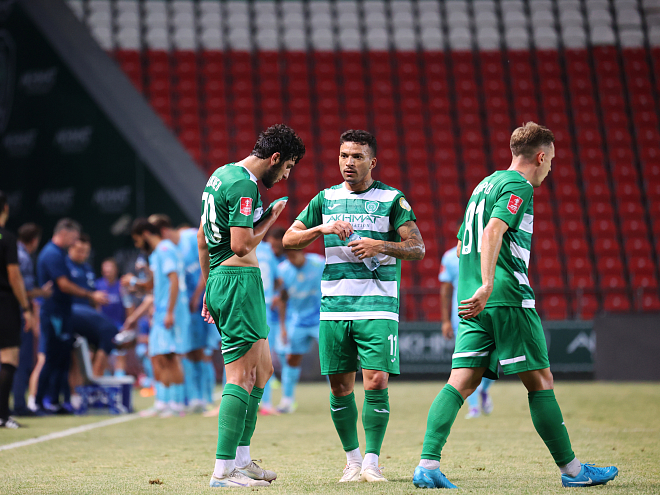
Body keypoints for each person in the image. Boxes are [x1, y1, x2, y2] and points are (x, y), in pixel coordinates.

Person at [412, 122, 618, 489]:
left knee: (460, 382)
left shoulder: (483, 185)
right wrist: (489, 284)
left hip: (470, 299)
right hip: (505, 297)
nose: (550, 167)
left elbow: (461, 245)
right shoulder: (518, 185)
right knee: (541, 382)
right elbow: (493, 230)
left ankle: (427, 465)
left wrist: (476, 286)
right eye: (551, 160)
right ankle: (573, 472)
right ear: (540, 157)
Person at [282, 129, 425, 483]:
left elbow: (417, 248)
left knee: (375, 382)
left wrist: (380, 246)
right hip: (335, 307)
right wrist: (322, 229)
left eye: (357, 156)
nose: (349, 162)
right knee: (339, 388)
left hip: (378, 305)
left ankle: (373, 462)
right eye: (344, 155)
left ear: (372, 162)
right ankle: (353, 461)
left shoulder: (392, 199)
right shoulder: (325, 199)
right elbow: (289, 239)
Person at [198, 124, 305, 488]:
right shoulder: (245, 186)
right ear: (275, 158)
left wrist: (208, 285)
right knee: (240, 377)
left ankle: (242, 461)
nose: (286, 175)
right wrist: (271, 218)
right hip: (238, 283)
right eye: (287, 167)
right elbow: (242, 245)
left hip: (225, 279)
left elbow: (203, 237)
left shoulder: (220, 175)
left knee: (263, 371)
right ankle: (223, 471)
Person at [36, 219, 108, 413]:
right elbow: (63, 285)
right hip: (54, 314)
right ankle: (38, 400)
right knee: (51, 358)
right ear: (64, 234)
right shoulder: (52, 254)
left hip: (63, 313)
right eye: (74, 238)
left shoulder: (60, 254)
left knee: (62, 360)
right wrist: (90, 295)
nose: (75, 242)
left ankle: (59, 401)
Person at [127, 218, 189, 417]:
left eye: (137, 240)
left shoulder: (165, 249)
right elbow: (155, 284)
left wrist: (170, 311)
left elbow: (174, 280)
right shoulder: (157, 253)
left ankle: (176, 404)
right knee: (158, 356)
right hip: (161, 310)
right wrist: (135, 282)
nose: (138, 245)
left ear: (145, 234)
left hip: (169, 311)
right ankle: (163, 402)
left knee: (170, 356)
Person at [149, 214, 207, 412]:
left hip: (199, 302)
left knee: (199, 352)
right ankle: (186, 399)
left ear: (162, 232)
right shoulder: (167, 250)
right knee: (183, 352)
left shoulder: (190, 238)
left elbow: (207, 263)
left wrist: (197, 295)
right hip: (182, 306)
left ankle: (201, 398)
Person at [440, 243, 494, 419]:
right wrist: (446, 321)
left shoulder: (491, 248)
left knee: (494, 359)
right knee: (468, 362)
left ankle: (483, 389)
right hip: (462, 316)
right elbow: (445, 289)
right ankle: (474, 407)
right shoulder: (450, 256)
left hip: (490, 311)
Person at [274, 248, 325, 414]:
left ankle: (338, 396)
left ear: (302, 251)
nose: (291, 259)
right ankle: (287, 400)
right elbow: (282, 299)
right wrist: (283, 327)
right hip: (298, 322)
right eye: (288, 256)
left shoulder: (319, 263)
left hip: (321, 319)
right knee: (291, 358)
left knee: (331, 357)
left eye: (293, 255)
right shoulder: (283, 270)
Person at [0, 192, 35, 428]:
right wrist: (26, 307)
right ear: (5, 208)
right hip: (5, 303)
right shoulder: (7, 237)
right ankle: (2, 416)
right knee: (9, 358)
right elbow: (14, 276)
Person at [13, 223, 51, 416]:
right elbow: (25, 290)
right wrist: (42, 293)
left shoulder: (11, 250)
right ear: (35, 240)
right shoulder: (23, 257)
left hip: (7, 311)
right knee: (21, 360)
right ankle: (19, 405)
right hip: (18, 313)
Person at [67, 235, 118, 378]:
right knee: (72, 359)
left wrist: (96, 302)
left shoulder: (88, 269)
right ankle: (87, 386)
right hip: (70, 314)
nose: (82, 255)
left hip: (87, 319)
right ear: (70, 248)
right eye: (79, 251)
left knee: (99, 344)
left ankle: (93, 381)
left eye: (86, 252)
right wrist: (91, 295)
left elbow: (93, 300)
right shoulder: (64, 266)